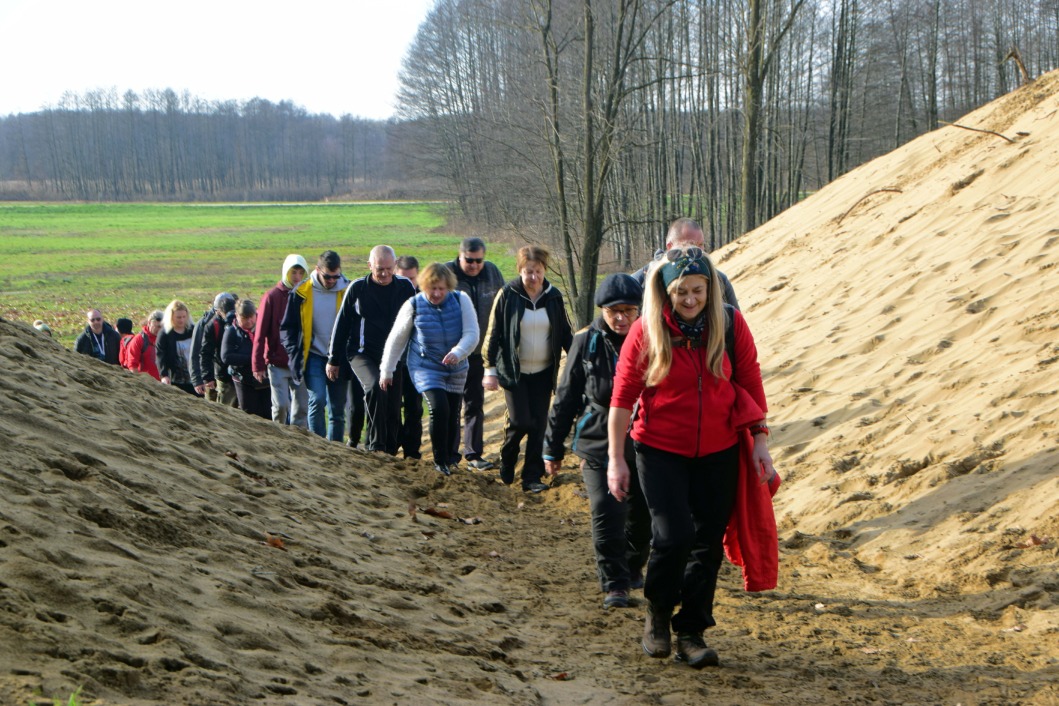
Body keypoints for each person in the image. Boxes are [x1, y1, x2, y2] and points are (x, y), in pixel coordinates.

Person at [607, 246, 776, 669]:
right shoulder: (646, 331)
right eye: (681, 291)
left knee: (707, 542)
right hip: (659, 449)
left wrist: (760, 441)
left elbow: (751, 380)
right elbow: (622, 400)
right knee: (673, 534)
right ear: (666, 292)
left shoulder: (730, 323)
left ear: (710, 288)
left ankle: (692, 630)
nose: (690, 299)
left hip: (719, 448)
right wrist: (616, 459)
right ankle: (659, 615)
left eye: (698, 290)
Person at [543, 274, 651, 609]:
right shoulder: (586, 341)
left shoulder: (655, 339)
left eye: (628, 311)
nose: (620, 318)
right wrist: (552, 446)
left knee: (642, 516)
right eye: (612, 311)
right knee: (606, 510)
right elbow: (566, 396)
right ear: (601, 310)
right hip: (596, 438)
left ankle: (632, 568)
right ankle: (614, 584)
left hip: (645, 439)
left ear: (639, 310)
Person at [482, 245, 573, 492]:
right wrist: (489, 369)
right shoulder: (508, 295)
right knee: (521, 421)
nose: (533, 277)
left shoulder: (553, 297)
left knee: (539, 425)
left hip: (543, 372)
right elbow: (494, 333)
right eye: (528, 272)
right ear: (520, 271)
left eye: (538, 272)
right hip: (514, 371)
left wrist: (578, 358)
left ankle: (532, 477)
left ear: (544, 271)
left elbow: (565, 332)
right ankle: (508, 456)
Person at [380, 263, 479, 475]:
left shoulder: (462, 300)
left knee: (452, 414)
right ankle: (439, 460)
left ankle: (450, 458)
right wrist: (386, 370)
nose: (436, 293)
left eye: (441, 289)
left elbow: (472, 333)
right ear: (424, 286)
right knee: (439, 408)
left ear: (448, 287)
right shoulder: (413, 305)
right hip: (425, 366)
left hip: (456, 365)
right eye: (432, 288)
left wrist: (458, 352)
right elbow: (396, 339)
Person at [329, 245, 415, 454]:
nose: (384, 274)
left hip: (394, 355)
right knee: (376, 388)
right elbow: (341, 325)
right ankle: (375, 447)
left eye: (388, 268)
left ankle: (391, 450)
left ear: (395, 265)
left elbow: (416, 322)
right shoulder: (357, 289)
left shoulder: (405, 287)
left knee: (394, 406)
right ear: (370, 266)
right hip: (362, 353)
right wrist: (333, 359)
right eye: (379, 269)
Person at [447, 237, 505, 470]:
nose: (474, 265)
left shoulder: (491, 272)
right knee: (451, 406)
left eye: (478, 260)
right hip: (452, 353)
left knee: (474, 404)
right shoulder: (447, 273)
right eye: (469, 261)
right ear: (459, 256)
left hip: (480, 352)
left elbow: (503, 304)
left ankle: (473, 454)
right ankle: (450, 455)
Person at [281, 251, 351, 441]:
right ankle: (319, 444)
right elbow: (287, 328)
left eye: (336, 276)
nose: (332, 281)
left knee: (337, 407)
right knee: (317, 399)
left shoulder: (348, 291)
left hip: (339, 357)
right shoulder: (301, 292)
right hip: (313, 356)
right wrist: (293, 352)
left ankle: (335, 447)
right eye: (327, 276)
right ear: (317, 270)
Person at [254, 254, 310, 428]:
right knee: (281, 407)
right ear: (286, 272)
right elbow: (260, 332)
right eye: (294, 272)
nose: (297, 277)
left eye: (301, 273)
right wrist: (258, 365)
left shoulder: (307, 296)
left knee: (301, 408)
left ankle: (299, 443)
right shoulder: (272, 297)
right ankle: (277, 438)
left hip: (299, 362)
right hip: (277, 362)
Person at [633, 218, 739, 309]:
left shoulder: (719, 279)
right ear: (670, 247)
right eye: (690, 245)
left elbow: (736, 325)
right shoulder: (640, 280)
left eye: (700, 245)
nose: (698, 251)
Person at [394, 255, 422, 459]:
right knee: (392, 408)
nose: (408, 284)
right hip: (393, 361)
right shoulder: (390, 295)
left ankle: (412, 452)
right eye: (403, 278)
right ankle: (392, 446)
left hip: (416, 363)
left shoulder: (426, 297)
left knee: (414, 409)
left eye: (411, 279)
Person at [222, 299, 271, 419]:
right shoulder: (232, 332)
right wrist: (254, 360)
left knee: (269, 414)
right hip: (244, 380)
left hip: (267, 380)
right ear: (237, 316)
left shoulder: (265, 327)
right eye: (245, 318)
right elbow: (226, 356)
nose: (249, 321)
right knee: (250, 415)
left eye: (251, 317)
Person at [196, 292, 239, 407]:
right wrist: (208, 378)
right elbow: (205, 353)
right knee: (225, 407)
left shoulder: (240, 320)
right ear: (218, 312)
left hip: (240, 373)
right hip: (223, 376)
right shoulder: (212, 326)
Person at [156, 299, 199, 395]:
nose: (182, 320)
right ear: (171, 317)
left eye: (184, 317)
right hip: (176, 379)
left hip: (194, 378)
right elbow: (160, 355)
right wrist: (164, 375)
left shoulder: (193, 330)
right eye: (178, 317)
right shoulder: (165, 334)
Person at [125, 310, 164, 380]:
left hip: (164, 383)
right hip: (147, 383)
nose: (160, 330)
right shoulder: (139, 340)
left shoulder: (166, 339)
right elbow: (132, 365)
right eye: (157, 326)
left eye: (162, 327)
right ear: (149, 323)